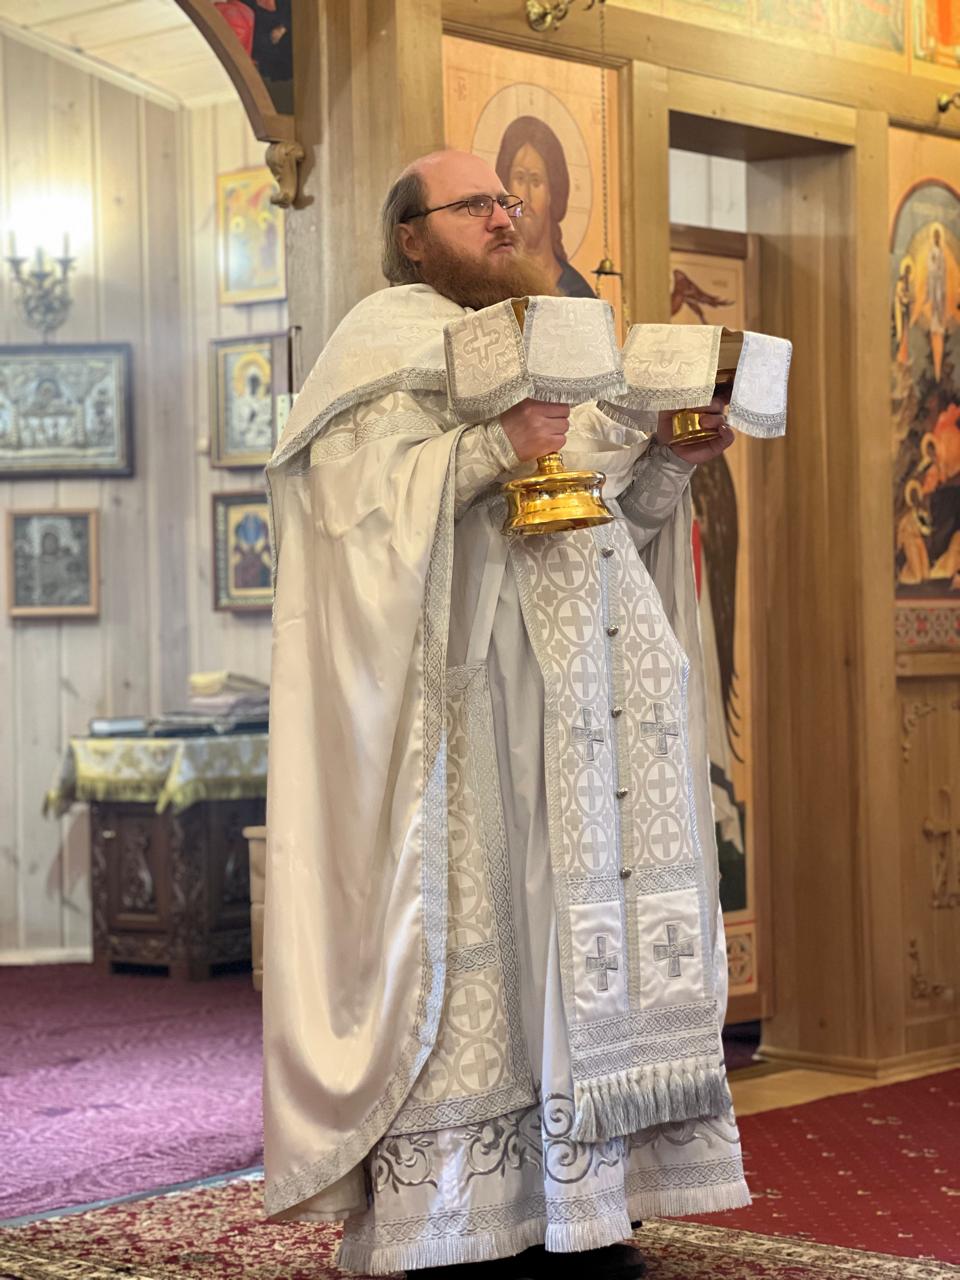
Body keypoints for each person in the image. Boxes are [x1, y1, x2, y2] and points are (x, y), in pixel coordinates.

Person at [262, 148, 748, 1279]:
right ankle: (462, 1229)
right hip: (461, 721)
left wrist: (668, 463)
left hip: (574, 714)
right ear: (411, 236)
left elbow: (605, 522)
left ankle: (585, 1212)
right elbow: (349, 521)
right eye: (474, 202)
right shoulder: (379, 348)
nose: (501, 214)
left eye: (507, 199)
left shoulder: (550, 340)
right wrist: (492, 444)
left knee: (572, 955)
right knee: (485, 960)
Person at [495, 116, 595, 298]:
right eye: (519, 179)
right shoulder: (493, 285)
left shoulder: (577, 294)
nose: (526, 197)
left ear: (551, 192)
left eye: (536, 181)